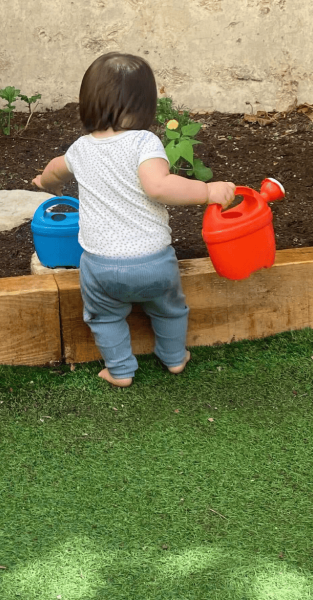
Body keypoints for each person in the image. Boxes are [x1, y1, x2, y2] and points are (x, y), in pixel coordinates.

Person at [32, 52, 235, 387]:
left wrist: (46, 183)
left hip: (100, 265)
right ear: (146, 105)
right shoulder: (144, 142)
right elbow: (158, 185)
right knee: (169, 309)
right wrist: (207, 191)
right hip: (153, 261)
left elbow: (55, 169)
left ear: (88, 103)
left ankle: (120, 370)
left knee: (105, 317)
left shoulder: (80, 149)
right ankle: (174, 358)